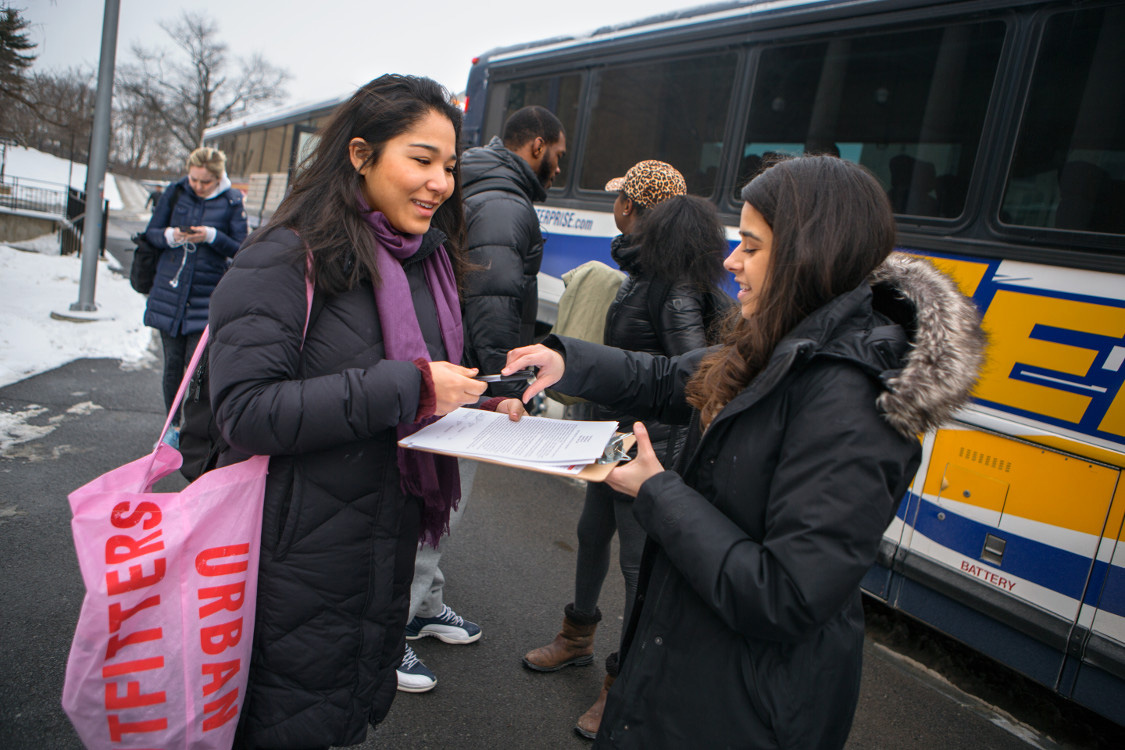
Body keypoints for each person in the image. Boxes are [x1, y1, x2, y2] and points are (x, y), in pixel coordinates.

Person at [503, 155, 986, 748]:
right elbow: (667, 378)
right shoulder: (782, 339)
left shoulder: (852, 397)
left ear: (808, 254)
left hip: (750, 713)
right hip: (699, 674)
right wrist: (566, 358)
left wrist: (657, 491)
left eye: (752, 247)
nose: (731, 261)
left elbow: (785, 595)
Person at [206, 74, 524, 749]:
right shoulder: (285, 256)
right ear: (359, 154)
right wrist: (408, 387)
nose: (440, 182)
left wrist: (480, 396)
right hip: (288, 559)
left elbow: (422, 380)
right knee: (276, 722)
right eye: (420, 159)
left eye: (448, 166)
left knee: (334, 717)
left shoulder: (422, 262)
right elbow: (246, 410)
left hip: (376, 550)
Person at [521, 160, 733, 740]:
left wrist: (654, 456)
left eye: (622, 200)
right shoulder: (644, 268)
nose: (615, 207)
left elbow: (693, 376)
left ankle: (623, 682)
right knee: (592, 535)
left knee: (637, 567)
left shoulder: (674, 286)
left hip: (645, 447)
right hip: (611, 436)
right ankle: (577, 638)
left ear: (637, 210)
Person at [396, 104, 568, 692]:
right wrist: (501, 386)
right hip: (465, 380)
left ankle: (422, 605)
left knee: (444, 499)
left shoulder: (491, 186)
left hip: (456, 371)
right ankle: (393, 627)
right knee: (438, 499)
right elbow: (494, 298)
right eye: (559, 158)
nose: (560, 171)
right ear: (538, 146)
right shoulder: (507, 201)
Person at [143, 146, 247, 445]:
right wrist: (171, 236)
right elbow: (151, 233)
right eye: (194, 180)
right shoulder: (175, 192)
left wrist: (211, 236)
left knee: (198, 371)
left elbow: (242, 248)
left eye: (205, 182)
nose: (198, 187)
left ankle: (194, 429)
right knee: (172, 365)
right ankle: (172, 429)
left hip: (206, 298)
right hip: (170, 293)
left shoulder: (232, 200)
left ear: (218, 178)